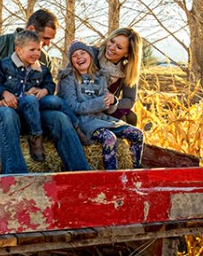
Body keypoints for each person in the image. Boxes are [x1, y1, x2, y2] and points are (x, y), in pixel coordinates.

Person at [0, 9, 91, 175]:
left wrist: (43, 91)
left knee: (59, 118)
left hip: (31, 114)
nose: (47, 44)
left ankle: (83, 177)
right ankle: (18, 180)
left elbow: (48, 84)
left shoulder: (43, 58)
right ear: (31, 30)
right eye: (45, 38)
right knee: (7, 115)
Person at [0, 30, 81, 162]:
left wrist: (44, 91)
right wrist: (5, 93)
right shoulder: (5, 65)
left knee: (55, 99)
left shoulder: (42, 69)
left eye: (39, 49)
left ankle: (76, 127)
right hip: (17, 105)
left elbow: (50, 84)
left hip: (36, 105)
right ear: (19, 50)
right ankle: (35, 138)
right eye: (32, 49)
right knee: (30, 100)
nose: (37, 53)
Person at [58, 40, 143, 169]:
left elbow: (108, 110)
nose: (79, 57)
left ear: (91, 57)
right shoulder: (69, 78)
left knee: (137, 134)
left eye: (83, 53)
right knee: (109, 138)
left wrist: (112, 101)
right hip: (84, 122)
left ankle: (135, 171)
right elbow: (73, 107)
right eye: (74, 55)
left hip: (102, 119)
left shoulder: (100, 77)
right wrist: (99, 103)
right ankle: (111, 176)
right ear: (71, 61)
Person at [93, 28, 143, 126]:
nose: (111, 47)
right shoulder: (92, 55)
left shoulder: (126, 70)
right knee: (121, 119)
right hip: (87, 104)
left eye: (119, 47)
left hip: (109, 106)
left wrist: (113, 101)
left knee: (131, 117)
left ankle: (129, 140)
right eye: (111, 41)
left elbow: (130, 100)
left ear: (127, 54)